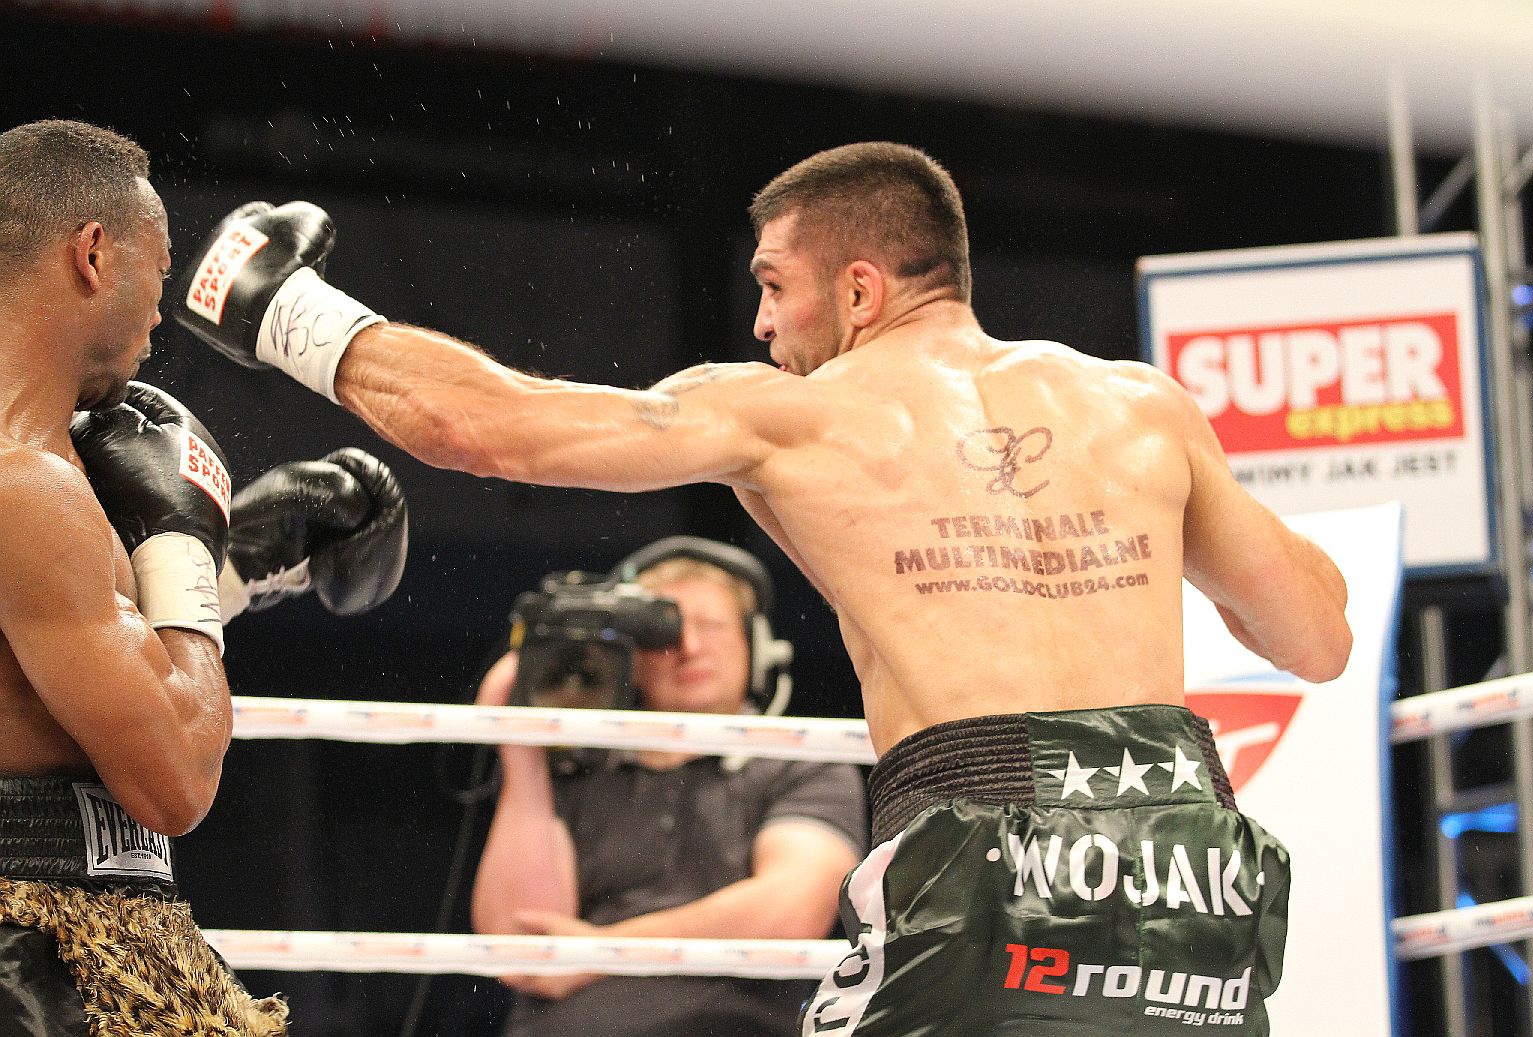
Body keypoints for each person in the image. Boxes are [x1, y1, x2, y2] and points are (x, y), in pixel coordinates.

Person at [173, 141, 1353, 1036]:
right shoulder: (1143, 406)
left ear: (858, 289)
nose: (760, 320)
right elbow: (1316, 637)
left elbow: (489, 427)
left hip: (985, 840)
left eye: (775, 285)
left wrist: (286, 311)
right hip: (1190, 852)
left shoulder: (794, 414)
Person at [0, 119, 408, 1037]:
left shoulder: (44, 476)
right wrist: (182, 547)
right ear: (93, 254)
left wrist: (232, 562)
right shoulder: (25, 483)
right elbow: (177, 778)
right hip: (42, 955)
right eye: (159, 267)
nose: (159, 313)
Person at [470, 536, 865, 1037]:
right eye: (665, 631)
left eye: (711, 626)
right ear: (628, 657)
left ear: (756, 644)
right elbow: (519, 941)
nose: (689, 648)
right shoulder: (578, 764)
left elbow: (791, 908)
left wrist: (603, 952)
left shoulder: (802, 760)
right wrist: (521, 748)